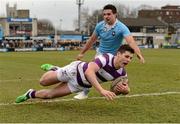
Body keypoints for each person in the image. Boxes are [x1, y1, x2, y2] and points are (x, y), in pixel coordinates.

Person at [15, 44, 134, 103]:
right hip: (74, 71)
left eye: (130, 58)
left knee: (49, 96)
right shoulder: (106, 58)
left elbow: (122, 89)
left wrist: (124, 90)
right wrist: (101, 90)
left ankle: (30, 94)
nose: (128, 60)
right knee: (43, 82)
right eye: (126, 56)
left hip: (80, 85)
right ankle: (55, 69)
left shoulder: (122, 73)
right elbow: (89, 72)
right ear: (118, 54)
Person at [74, 4, 145, 99]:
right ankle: (85, 91)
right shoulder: (99, 26)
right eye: (104, 14)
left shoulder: (122, 27)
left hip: (115, 57)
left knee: (119, 77)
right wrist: (82, 53)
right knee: (90, 72)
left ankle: (121, 89)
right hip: (100, 55)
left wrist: (139, 54)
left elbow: (131, 41)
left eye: (109, 14)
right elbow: (91, 40)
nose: (106, 16)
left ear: (115, 14)